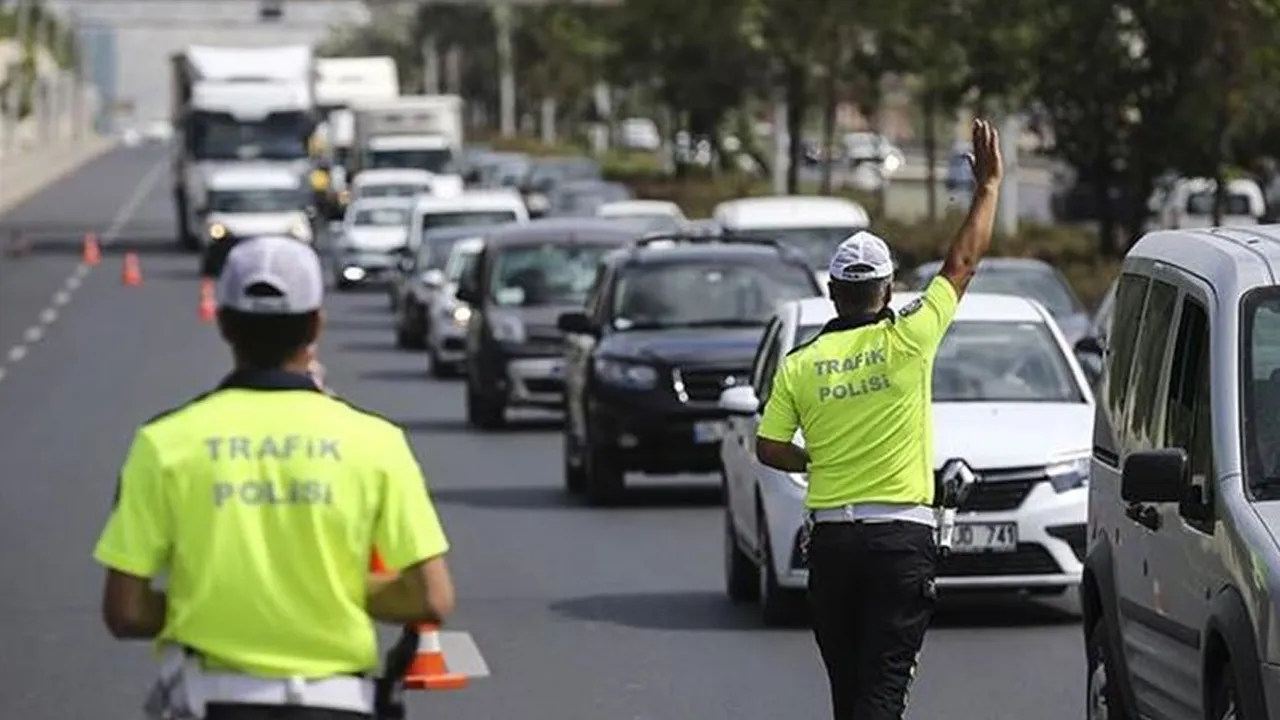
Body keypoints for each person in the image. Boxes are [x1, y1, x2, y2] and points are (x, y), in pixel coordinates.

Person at [93, 235, 456, 720]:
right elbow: (431, 597)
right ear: (316, 325)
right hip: (338, 704)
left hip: (211, 702)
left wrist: (208, 602)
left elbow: (126, 610)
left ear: (223, 323)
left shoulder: (164, 444)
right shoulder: (376, 443)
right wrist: (332, 589)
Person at [754, 118, 1004, 720]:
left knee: (851, 696)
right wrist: (988, 187)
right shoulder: (911, 339)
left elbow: (767, 447)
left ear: (834, 293)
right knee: (882, 696)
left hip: (834, 546)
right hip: (900, 543)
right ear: (887, 291)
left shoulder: (801, 364)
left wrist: (815, 458)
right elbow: (962, 263)